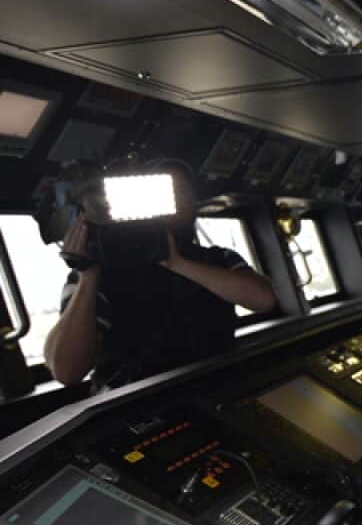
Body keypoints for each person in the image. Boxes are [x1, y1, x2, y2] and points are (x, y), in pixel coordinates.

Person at [45, 161, 277, 391]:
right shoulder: (103, 271)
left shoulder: (218, 259)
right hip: (140, 405)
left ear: (194, 203)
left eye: (183, 191)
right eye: (166, 192)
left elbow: (263, 299)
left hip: (216, 388)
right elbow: (68, 371)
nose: (175, 200)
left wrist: (176, 263)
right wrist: (88, 277)